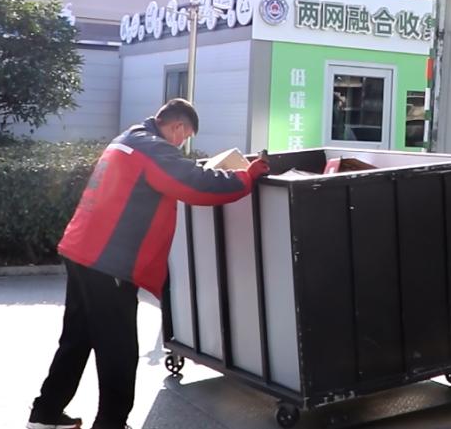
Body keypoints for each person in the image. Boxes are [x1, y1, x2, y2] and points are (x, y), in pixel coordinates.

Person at [26, 99, 270, 429]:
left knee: (76, 339)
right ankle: (111, 423)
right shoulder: (153, 149)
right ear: (178, 127)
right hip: (109, 262)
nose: (182, 144)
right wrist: (246, 177)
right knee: (119, 350)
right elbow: (195, 183)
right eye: (185, 137)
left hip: (81, 250)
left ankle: (45, 414)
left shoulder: (128, 138)